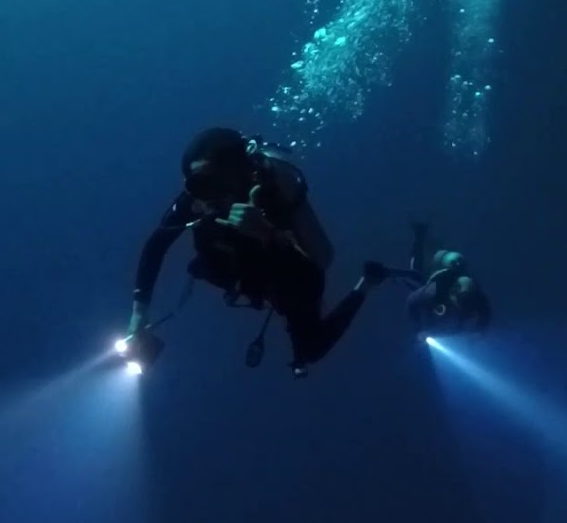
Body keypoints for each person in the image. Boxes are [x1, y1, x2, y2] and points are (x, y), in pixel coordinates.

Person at [125, 127, 384, 376]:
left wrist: (267, 234)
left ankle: (365, 285)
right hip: (233, 263)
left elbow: (318, 267)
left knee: (309, 350)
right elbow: (156, 244)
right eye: (196, 185)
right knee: (203, 261)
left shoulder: (276, 190)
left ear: (237, 172)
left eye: (211, 182)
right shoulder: (199, 198)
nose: (205, 196)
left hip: (286, 269)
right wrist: (139, 314)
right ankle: (243, 277)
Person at [393, 222, 492, 334]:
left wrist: (479, 329)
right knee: (416, 271)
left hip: (444, 280)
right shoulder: (435, 289)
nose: (466, 306)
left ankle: (422, 234)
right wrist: (418, 328)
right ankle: (420, 234)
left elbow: (485, 313)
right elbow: (412, 300)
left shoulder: (476, 296)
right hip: (434, 280)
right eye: (464, 303)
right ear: (454, 291)